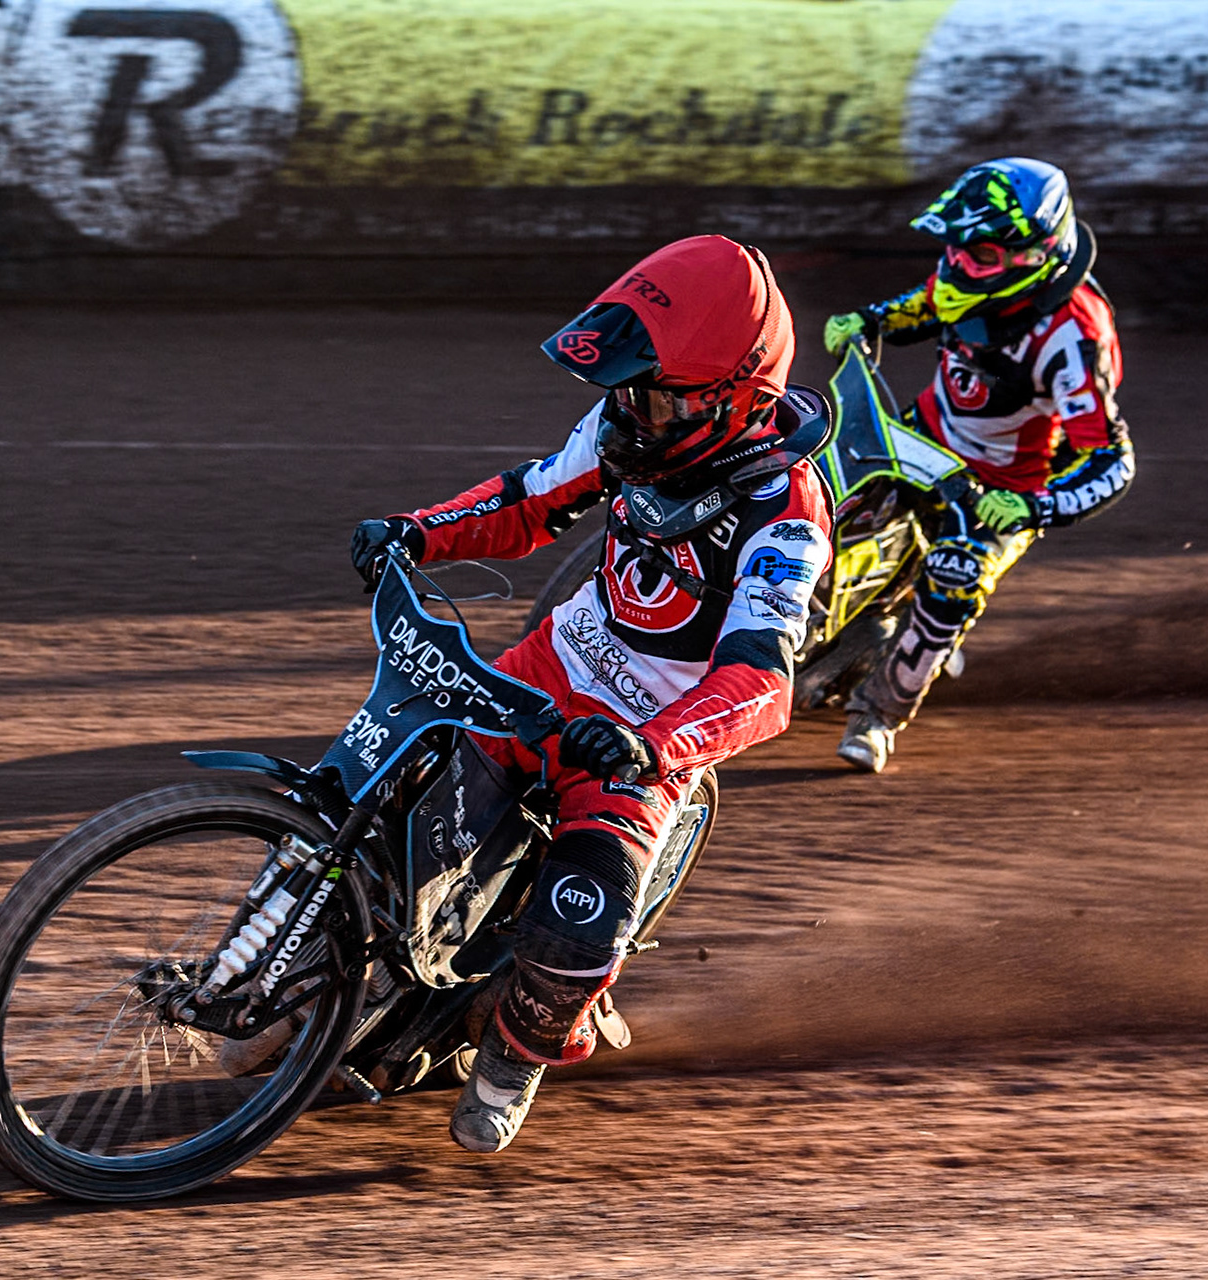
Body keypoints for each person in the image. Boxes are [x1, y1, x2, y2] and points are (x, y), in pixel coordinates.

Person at [349, 235, 833, 1153]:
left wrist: (660, 748)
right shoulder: (628, 428)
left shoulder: (785, 512)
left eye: (653, 391)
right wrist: (415, 533)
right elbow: (526, 503)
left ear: (730, 398)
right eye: (625, 387)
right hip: (548, 667)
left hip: (643, 738)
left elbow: (765, 684)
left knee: (583, 913)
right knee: (380, 786)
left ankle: (515, 1058)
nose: (630, 410)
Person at [821, 156, 1135, 772]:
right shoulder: (969, 269)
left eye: (981, 257)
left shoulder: (1072, 336)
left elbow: (1112, 458)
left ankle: (879, 713)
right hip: (924, 437)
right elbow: (934, 302)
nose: (959, 265)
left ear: (1035, 255)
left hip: (1001, 486)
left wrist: (1032, 506)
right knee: (815, 493)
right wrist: (873, 319)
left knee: (956, 575)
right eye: (955, 250)